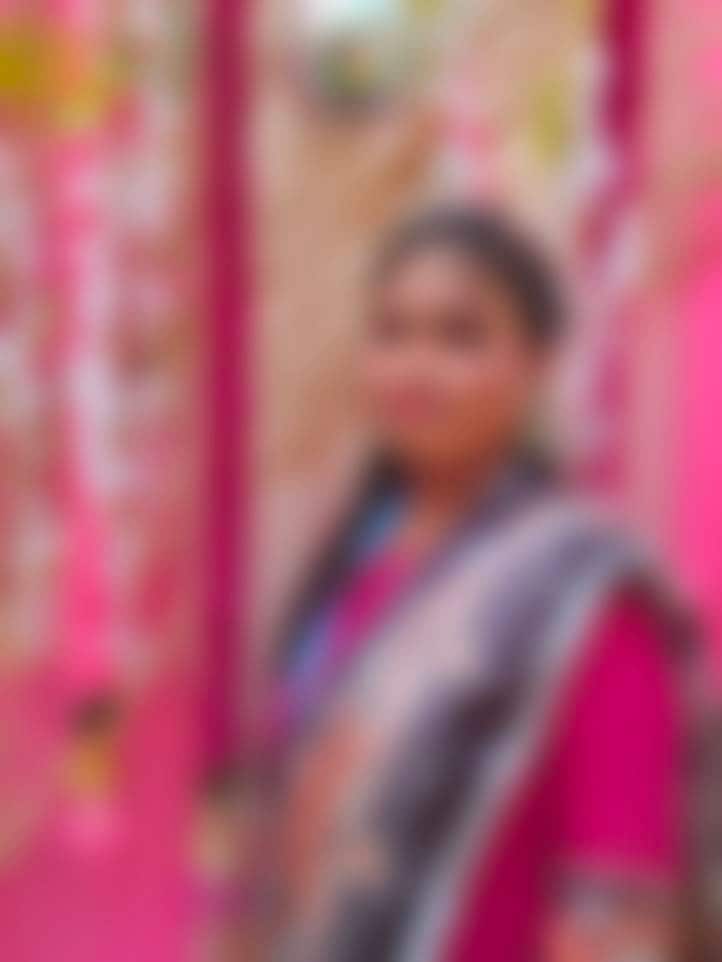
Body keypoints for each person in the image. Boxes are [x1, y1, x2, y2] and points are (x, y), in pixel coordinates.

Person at [245, 206, 689, 962]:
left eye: (459, 336)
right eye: (392, 333)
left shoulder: (582, 599)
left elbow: (617, 907)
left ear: (537, 364)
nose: (414, 368)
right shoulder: (350, 571)